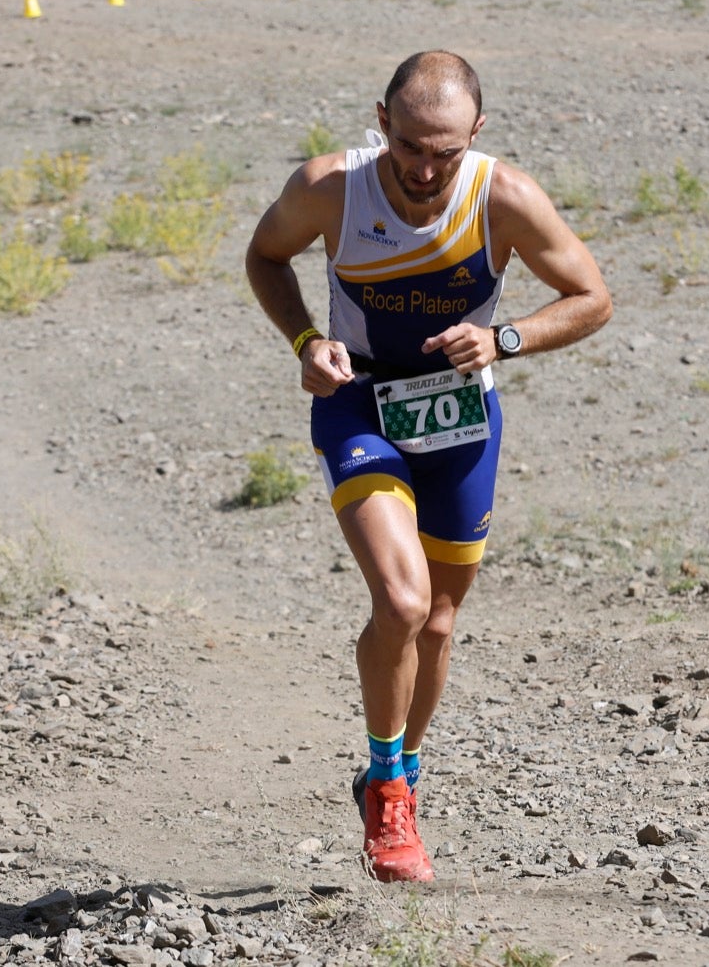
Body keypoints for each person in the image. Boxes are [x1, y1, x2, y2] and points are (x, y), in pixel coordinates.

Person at [245, 51, 613, 883]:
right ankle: (387, 795)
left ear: (475, 134)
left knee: (440, 622)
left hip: (459, 415)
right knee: (402, 602)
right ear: (381, 120)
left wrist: (504, 338)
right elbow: (265, 256)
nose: (422, 167)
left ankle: (401, 771)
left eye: (444, 151)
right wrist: (307, 342)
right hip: (361, 405)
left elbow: (592, 296)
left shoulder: (504, 197)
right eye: (409, 144)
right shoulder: (332, 188)